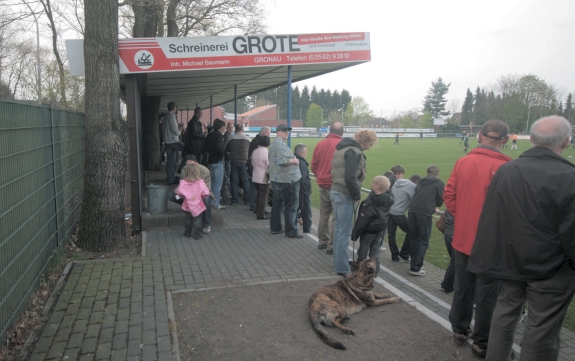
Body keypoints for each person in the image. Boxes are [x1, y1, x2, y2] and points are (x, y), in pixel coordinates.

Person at [468, 116, 575, 361]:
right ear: (566, 141)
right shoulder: (567, 177)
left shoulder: (508, 169)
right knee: (541, 327)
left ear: (533, 139)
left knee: (505, 314)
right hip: (550, 269)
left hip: (511, 261)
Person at [444, 119, 511, 358]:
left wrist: (464, 216)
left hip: (464, 238)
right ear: (504, 140)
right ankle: (481, 341)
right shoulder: (509, 167)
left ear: (480, 137)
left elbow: (449, 196)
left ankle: (460, 330)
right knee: (488, 294)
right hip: (492, 243)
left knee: (463, 287)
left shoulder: (464, 162)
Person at [330, 129, 377, 277]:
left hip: (336, 191)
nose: (369, 147)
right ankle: (343, 267)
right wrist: (356, 195)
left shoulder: (342, 148)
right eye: (370, 144)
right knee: (344, 232)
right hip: (345, 194)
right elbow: (350, 177)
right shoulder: (354, 152)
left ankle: (339, 263)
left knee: (339, 230)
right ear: (365, 141)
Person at [352, 175, 394, 278]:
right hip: (380, 230)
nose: (370, 184)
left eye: (372, 183)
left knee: (362, 252)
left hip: (369, 231)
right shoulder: (388, 199)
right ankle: (375, 273)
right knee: (375, 253)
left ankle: (359, 273)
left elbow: (362, 221)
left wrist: (354, 235)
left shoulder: (369, 203)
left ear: (377, 186)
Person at [311, 122, 343, 254]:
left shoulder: (320, 144)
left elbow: (313, 165)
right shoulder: (341, 145)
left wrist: (320, 176)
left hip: (322, 183)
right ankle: (332, 245)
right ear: (342, 132)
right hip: (336, 185)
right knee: (336, 216)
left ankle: (322, 241)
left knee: (324, 214)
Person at [407, 165, 444, 276]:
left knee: (414, 238)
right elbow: (440, 200)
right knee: (423, 240)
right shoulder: (439, 183)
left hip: (412, 210)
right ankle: (416, 267)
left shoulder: (421, 181)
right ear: (438, 173)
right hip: (424, 213)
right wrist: (435, 206)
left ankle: (413, 264)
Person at [268, 124, 302, 238]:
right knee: (291, 206)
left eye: (287, 131)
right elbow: (282, 160)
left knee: (278, 204)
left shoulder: (274, 143)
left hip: (277, 178)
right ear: (278, 132)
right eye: (284, 131)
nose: (287, 133)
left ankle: (275, 228)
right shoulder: (280, 144)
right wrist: (294, 161)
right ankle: (291, 232)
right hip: (287, 179)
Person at [169, 155, 213, 234]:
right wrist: (177, 190)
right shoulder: (184, 169)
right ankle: (189, 206)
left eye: (191, 165)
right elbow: (182, 183)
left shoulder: (205, 171)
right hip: (187, 194)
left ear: (196, 163)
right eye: (187, 165)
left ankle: (207, 224)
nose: (188, 167)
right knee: (172, 196)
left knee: (207, 198)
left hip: (199, 194)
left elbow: (207, 189)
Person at [387, 165, 416, 263]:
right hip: (398, 213)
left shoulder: (395, 182)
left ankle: (394, 256)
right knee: (412, 232)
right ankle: (404, 254)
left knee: (391, 234)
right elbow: (414, 199)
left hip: (390, 211)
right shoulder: (410, 186)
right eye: (401, 174)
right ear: (398, 174)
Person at [175, 163, 209, 239]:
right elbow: (206, 192)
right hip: (197, 204)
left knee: (188, 218)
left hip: (187, 204)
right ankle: (197, 234)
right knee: (197, 219)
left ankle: (187, 232)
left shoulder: (183, 182)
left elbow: (180, 193)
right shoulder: (200, 183)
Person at [224, 124, 251, 206]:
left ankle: (234, 200)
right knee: (245, 180)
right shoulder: (247, 139)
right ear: (243, 129)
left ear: (235, 129)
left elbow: (226, 149)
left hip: (234, 161)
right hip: (244, 161)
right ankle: (247, 200)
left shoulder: (231, 138)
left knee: (234, 181)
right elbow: (251, 150)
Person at [203, 118, 226, 210]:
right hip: (217, 161)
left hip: (210, 161)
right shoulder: (219, 135)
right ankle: (215, 204)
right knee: (217, 184)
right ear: (221, 127)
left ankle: (210, 202)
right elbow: (219, 147)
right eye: (224, 127)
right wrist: (223, 155)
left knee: (212, 182)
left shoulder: (210, 135)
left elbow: (205, 147)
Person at [248, 127, 271, 212]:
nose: (269, 135)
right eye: (267, 133)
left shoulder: (255, 149)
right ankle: (259, 211)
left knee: (258, 193)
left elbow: (252, 159)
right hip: (263, 176)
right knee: (262, 195)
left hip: (255, 173)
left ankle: (256, 208)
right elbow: (268, 164)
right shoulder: (264, 151)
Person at [162, 102, 184, 185]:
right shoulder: (171, 116)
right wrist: (180, 131)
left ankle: (171, 179)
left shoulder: (165, 116)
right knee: (187, 149)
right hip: (173, 140)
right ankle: (181, 168)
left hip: (167, 140)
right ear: (174, 108)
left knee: (170, 160)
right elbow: (175, 131)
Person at [294, 143, 312, 234]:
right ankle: (307, 230)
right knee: (306, 212)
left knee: (294, 210)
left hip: (296, 190)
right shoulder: (302, 163)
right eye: (306, 152)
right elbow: (302, 178)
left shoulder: (294, 159)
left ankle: (293, 227)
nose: (307, 154)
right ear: (301, 153)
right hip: (303, 192)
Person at [439, 209, 455, 293]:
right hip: (454, 234)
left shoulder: (450, 203)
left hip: (448, 233)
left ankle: (447, 284)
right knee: (455, 262)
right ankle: (447, 285)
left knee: (454, 261)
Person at [220, 122, 234, 203]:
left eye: (232, 127)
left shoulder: (230, 135)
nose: (231, 129)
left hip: (228, 158)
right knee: (227, 176)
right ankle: (227, 193)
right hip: (227, 159)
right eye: (229, 128)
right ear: (226, 128)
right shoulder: (227, 136)